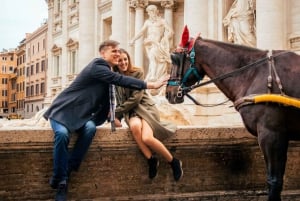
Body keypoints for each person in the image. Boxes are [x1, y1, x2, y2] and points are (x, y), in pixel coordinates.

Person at [43, 40, 170, 201]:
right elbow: (121, 80)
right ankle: (60, 180)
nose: (118, 54)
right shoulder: (97, 65)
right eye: (114, 51)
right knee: (62, 136)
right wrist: (151, 84)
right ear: (103, 54)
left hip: (83, 117)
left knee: (90, 129)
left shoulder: (108, 71)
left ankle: (68, 169)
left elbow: (111, 95)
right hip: (63, 111)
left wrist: (112, 116)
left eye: (119, 51)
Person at [113, 48, 183, 181]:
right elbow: (119, 99)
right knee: (134, 127)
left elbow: (136, 98)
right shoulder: (115, 79)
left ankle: (173, 161)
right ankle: (151, 159)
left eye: (125, 59)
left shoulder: (137, 72)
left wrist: (116, 113)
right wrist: (117, 117)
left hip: (145, 108)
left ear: (129, 59)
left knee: (146, 138)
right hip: (132, 111)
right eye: (120, 60)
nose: (123, 62)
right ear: (116, 62)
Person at [130, 4, 173, 84]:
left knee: (153, 57)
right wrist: (133, 39)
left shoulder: (162, 21)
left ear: (154, 12)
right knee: (152, 59)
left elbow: (171, 32)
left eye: (149, 12)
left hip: (157, 44)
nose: (149, 14)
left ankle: (153, 76)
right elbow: (141, 32)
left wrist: (165, 39)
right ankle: (153, 75)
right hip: (149, 43)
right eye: (148, 12)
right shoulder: (147, 22)